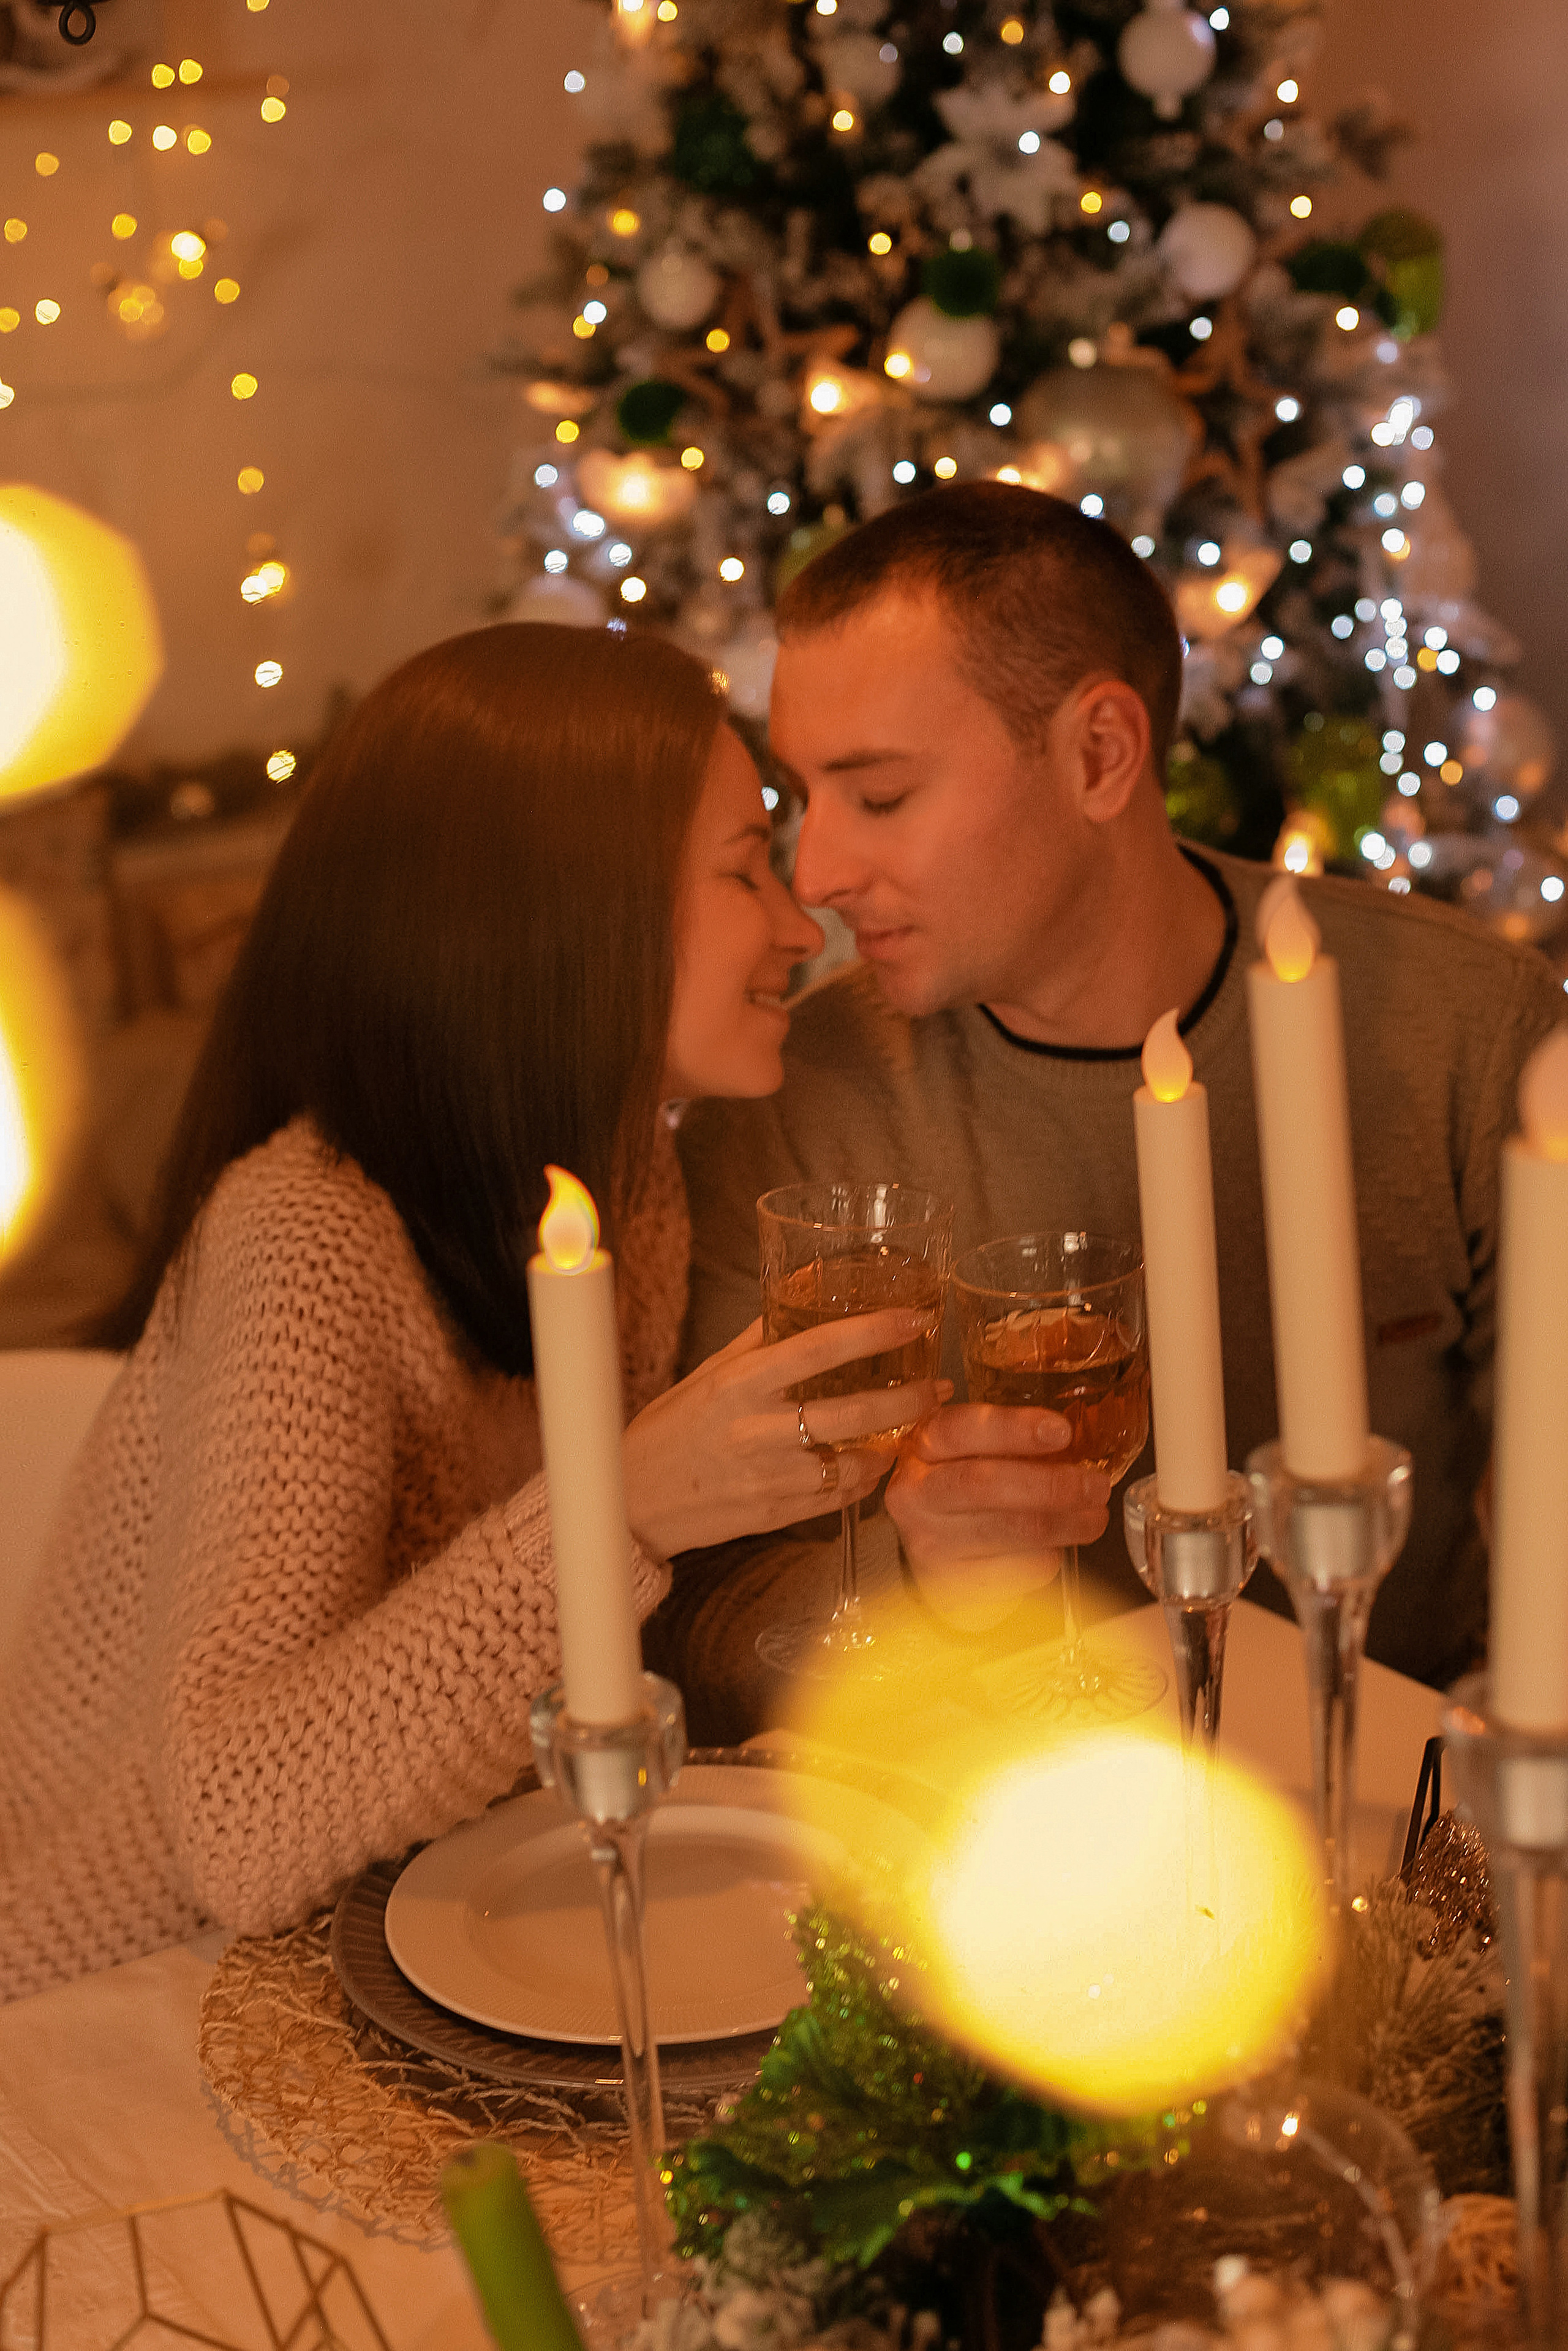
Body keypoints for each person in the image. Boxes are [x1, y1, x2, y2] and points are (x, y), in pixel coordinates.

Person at [0, 622, 946, 2002]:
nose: (804, 926)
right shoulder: (308, 1237)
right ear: (565, 909)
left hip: (409, 1918)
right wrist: (622, 1508)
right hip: (116, 1988)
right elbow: (239, 1829)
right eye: (747, 866)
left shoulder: (625, 1187)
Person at [678, 484, 1563, 1686]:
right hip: (976, 1779)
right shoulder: (797, 1100)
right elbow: (702, 1610)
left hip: (1385, 1767)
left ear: (1099, 754)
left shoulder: (1464, 1028)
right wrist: (919, 1576)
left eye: (880, 795)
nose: (817, 871)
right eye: (801, 798)